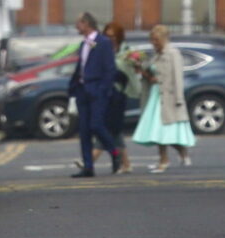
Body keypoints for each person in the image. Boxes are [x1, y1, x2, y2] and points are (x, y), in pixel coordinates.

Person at [132, 24, 196, 171]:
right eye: (152, 40)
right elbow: (150, 72)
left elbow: (178, 77)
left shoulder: (172, 54)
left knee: (163, 131)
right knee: (158, 130)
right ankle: (173, 156)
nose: (153, 43)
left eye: (156, 39)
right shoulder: (156, 55)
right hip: (156, 95)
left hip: (169, 97)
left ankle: (166, 159)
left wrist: (179, 99)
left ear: (164, 38)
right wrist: (140, 68)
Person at [67, 12, 122, 178]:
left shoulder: (103, 42)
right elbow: (81, 67)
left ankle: (114, 151)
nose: (76, 26)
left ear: (86, 24)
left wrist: (104, 89)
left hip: (98, 91)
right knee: (84, 130)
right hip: (83, 91)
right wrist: (74, 86)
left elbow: (109, 68)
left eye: (78, 23)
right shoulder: (84, 43)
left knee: (96, 125)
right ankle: (88, 167)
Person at [84, 21, 138, 174]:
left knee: (109, 126)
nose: (110, 39)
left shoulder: (126, 52)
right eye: (107, 36)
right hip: (104, 92)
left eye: (113, 36)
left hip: (119, 93)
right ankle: (125, 163)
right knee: (114, 128)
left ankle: (90, 160)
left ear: (119, 37)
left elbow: (130, 71)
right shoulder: (101, 48)